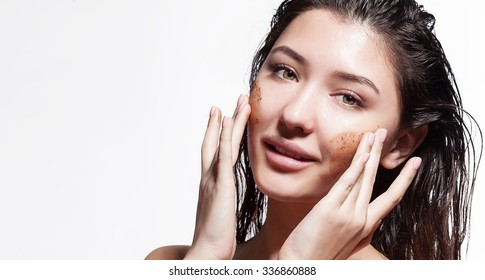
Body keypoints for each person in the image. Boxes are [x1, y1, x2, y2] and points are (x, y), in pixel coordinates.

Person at [146, 0, 481, 260]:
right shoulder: (174, 263)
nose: (294, 115)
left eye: (349, 98)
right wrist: (205, 258)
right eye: (286, 72)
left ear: (400, 145)